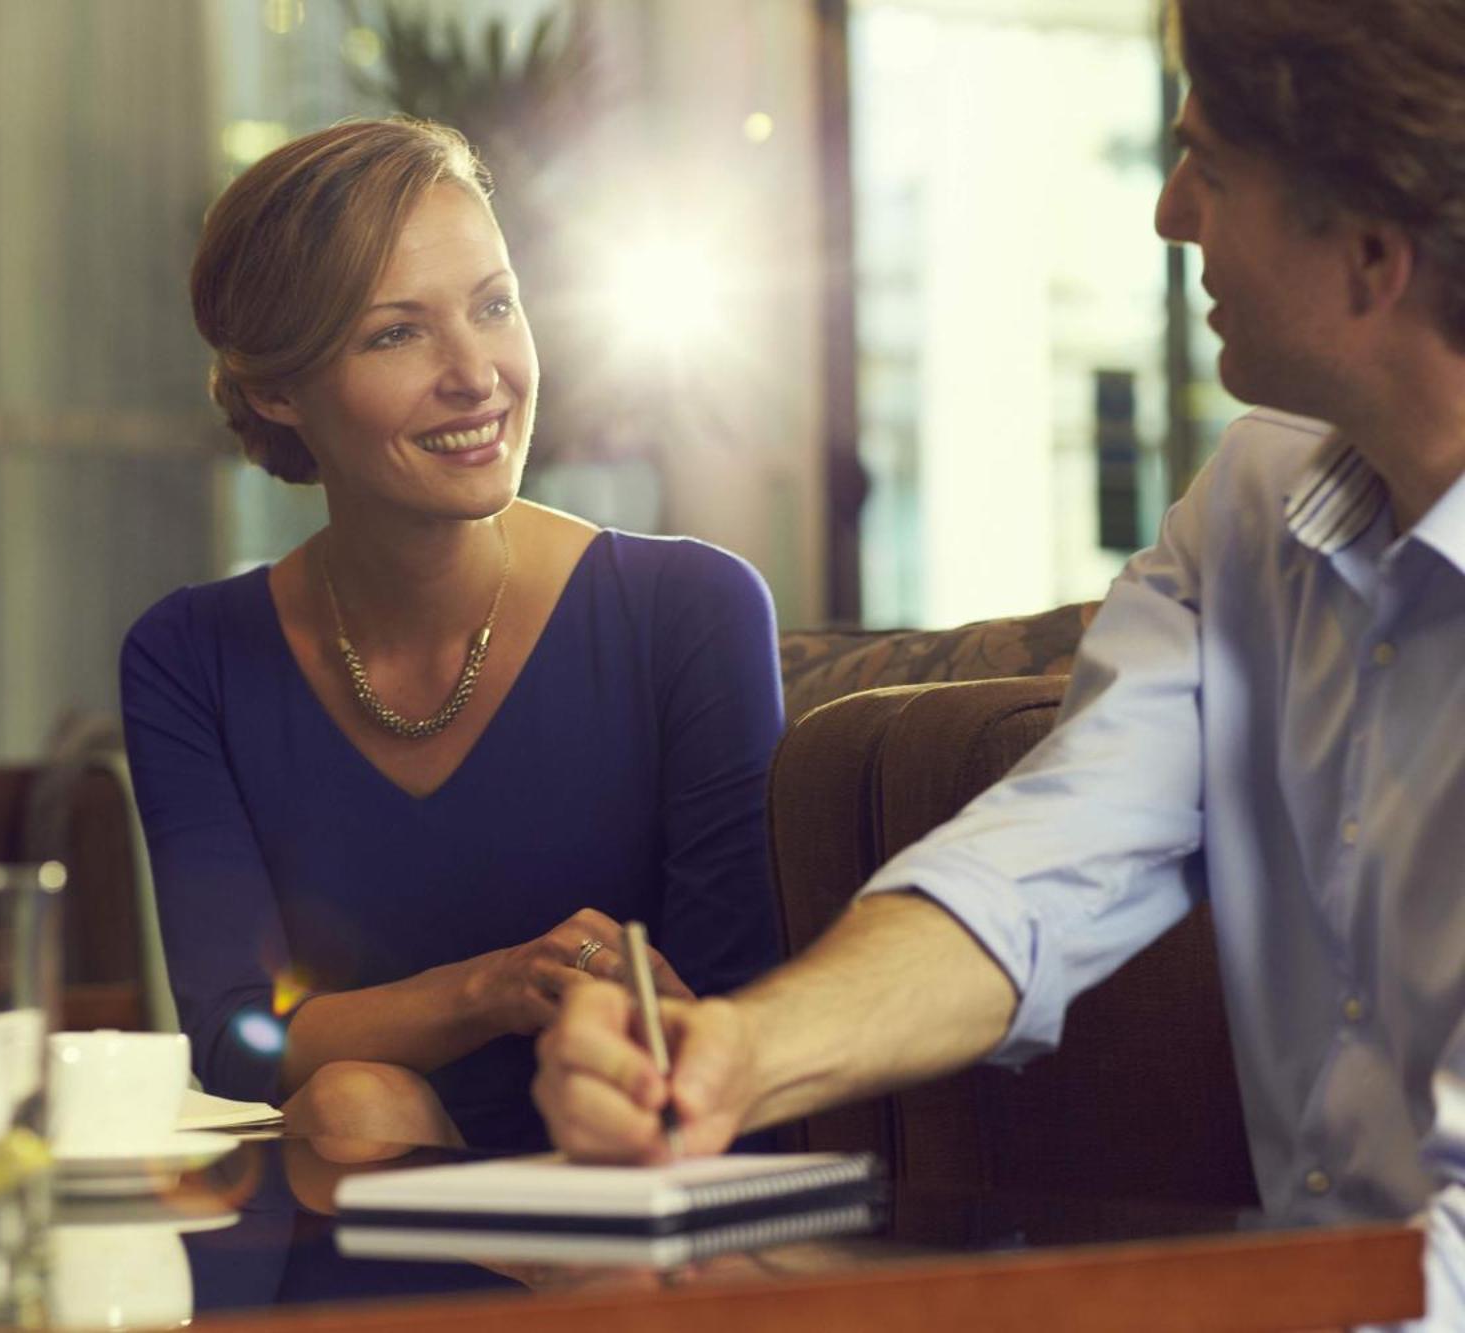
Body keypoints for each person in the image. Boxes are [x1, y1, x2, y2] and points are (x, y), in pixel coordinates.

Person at [534, 0, 1465, 1317]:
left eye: (1212, 164)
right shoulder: (1253, 507)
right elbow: (1041, 870)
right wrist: (741, 1051)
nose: (1170, 212)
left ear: (1372, 258)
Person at [120, 119, 784, 1151]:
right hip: (360, 1205)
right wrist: (489, 989)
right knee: (351, 1107)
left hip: (643, 1184)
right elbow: (239, 1039)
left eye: (493, 306)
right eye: (395, 332)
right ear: (275, 390)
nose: (476, 374)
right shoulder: (190, 657)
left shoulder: (687, 610)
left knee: (349, 1101)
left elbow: (726, 1019)